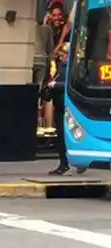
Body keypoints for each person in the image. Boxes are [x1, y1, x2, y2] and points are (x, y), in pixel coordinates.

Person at [45, 43, 86, 175]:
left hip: (71, 107)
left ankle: (74, 163)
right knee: (61, 136)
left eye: (64, 54)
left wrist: (56, 85)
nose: (61, 57)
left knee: (71, 136)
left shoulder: (76, 68)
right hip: (60, 105)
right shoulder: (60, 67)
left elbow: (74, 85)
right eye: (61, 55)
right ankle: (65, 163)